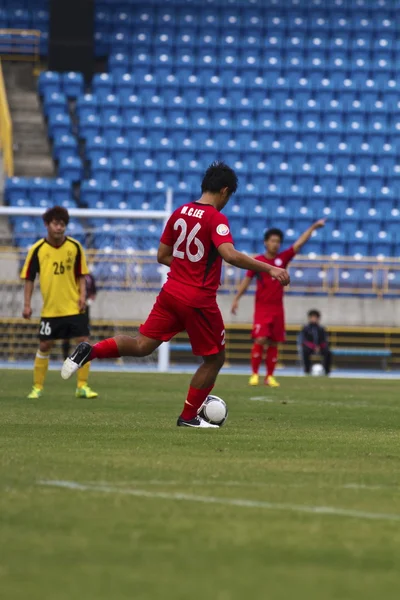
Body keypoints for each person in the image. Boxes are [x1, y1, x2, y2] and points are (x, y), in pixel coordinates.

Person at [61, 161, 290, 428]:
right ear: (225, 191)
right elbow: (229, 254)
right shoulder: (216, 218)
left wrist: (187, 268)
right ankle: (189, 416)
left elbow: (162, 255)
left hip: (171, 292)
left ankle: (90, 350)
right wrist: (270, 269)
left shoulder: (180, 212)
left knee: (141, 345)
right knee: (215, 358)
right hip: (197, 300)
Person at [231, 220, 326, 387]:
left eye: (278, 241)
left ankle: (269, 376)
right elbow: (246, 281)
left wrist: (312, 227)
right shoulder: (257, 261)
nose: (275, 244)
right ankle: (254, 374)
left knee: (274, 342)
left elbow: (299, 243)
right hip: (262, 308)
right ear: (266, 242)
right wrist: (236, 299)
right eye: (272, 241)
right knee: (260, 339)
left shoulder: (283, 258)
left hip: (277, 309)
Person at [21, 206, 98, 399]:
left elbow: (82, 275)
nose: (59, 228)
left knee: (83, 343)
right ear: (47, 225)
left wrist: (82, 296)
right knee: (45, 346)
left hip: (73, 306)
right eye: (56, 223)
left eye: (63, 224)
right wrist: (27, 304)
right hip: (50, 310)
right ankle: (37, 387)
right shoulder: (37, 249)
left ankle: (82, 386)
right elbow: (29, 278)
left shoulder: (75, 247)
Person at [62, 271, 97, 361]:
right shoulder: (70, 275)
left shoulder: (89, 277)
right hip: (69, 307)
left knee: (83, 336)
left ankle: (82, 359)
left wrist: (89, 301)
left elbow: (93, 292)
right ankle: (65, 358)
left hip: (83, 309)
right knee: (66, 334)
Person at [300, 309, 331, 375]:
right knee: (305, 351)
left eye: (315, 317)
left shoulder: (321, 329)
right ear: (309, 318)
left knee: (328, 352)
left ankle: (327, 371)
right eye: (312, 317)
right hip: (309, 348)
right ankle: (307, 370)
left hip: (320, 347)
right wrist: (313, 347)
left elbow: (325, 340)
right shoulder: (306, 328)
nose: (314, 319)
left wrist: (319, 346)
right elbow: (304, 340)